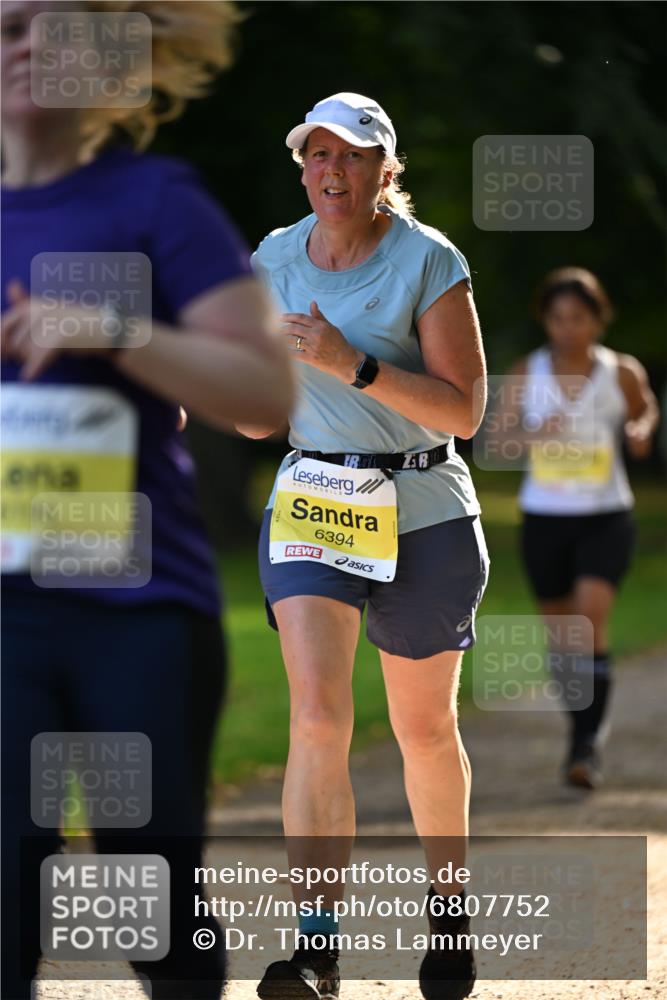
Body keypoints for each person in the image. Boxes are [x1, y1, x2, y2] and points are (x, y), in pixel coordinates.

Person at [0, 3, 293, 999]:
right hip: (5, 614)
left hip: (138, 611)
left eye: (52, 27)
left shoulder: (155, 198)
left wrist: (111, 328)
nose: (30, 45)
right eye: (5, 28)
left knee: (146, 895)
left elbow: (264, 393)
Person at [238, 93, 489, 1000]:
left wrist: (353, 365)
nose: (331, 172)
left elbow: (464, 411)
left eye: (352, 157)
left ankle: (449, 912)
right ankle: (314, 949)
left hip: (420, 502)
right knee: (316, 717)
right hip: (314, 499)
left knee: (422, 728)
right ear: (301, 165)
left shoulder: (429, 261)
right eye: (317, 155)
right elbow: (263, 411)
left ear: (387, 171)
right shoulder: (271, 257)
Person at [504, 267, 658, 789]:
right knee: (563, 635)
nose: (568, 328)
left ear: (598, 318)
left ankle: (586, 747)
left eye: (578, 317)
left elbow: (645, 410)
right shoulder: (528, 372)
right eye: (557, 318)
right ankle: (580, 731)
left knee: (590, 622)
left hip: (606, 515)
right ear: (545, 322)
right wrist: (529, 433)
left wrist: (639, 430)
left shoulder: (622, 370)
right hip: (545, 519)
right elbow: (495, 437)